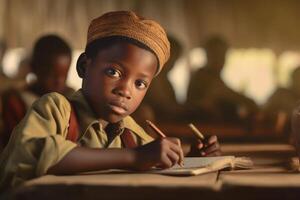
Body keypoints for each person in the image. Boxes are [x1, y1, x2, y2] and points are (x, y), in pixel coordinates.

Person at [0, 11, 221, 190]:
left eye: (140, 84)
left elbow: (154, 160)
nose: (125, 91)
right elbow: (38, 153)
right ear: (84, 66)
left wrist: (191, 160)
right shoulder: (56, 108)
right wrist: (134, 157)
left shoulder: (129, 132)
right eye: (113, 72)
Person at [0, 35, 75, 149]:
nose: (58, 82)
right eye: (51, 75)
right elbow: (16, 145)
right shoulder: (16, 101)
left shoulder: (71, 98)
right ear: (34, 68)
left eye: (64, 75)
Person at [186, 36, 258, 124]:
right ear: (208, 55)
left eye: (222, 55)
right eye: (216, 55)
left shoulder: (214, 77)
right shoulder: (203, 77)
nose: (219, 60)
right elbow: (226, 93)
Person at [264, 66, 300, 134]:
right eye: (298, 79)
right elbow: (263, 113)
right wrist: (279, 116)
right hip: (279, 136)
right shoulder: (281, 93)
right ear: (292, 80)